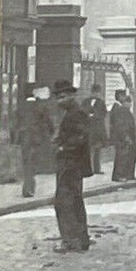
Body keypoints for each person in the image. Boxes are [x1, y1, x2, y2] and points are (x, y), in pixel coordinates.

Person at [52, 79, 92, 252]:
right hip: (72, 163)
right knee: (74, 200)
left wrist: (62, 146)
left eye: (62, 97)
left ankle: (70, 241)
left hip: (70, 162)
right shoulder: (73, 113)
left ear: (70, 96)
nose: (59, 101)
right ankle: (81, 239)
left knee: (64, 202)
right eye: (58, 98)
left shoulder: (75, 114)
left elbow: (80, 138)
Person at [14, 82, 54, 199]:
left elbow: (15, 124)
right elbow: (48, 122)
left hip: (24, 139)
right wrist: (50, 133)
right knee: (33, 163)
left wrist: (15, 138)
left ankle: (28, 187)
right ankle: (29, 188)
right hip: (36, 138)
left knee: (27, 162)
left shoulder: (20, 107)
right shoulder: (40, 106)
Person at [109, 87, 136, 182]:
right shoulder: (119, 109)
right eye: (124, 96)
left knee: (128, 155)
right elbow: (120, 125)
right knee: (122, 156)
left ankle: (128, 175)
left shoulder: (119, 108)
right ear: (120, 96)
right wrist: (126, 137)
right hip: (122, 138)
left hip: (125, 137)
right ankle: (119, 175)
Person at [85, 83, 109, 176]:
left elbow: (104, 114)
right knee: (89, 150)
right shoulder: (85, 101)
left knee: (98, 149)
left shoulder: (101, 102)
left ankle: (97, 169)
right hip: (88, 129)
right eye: (94, 92)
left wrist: (95, 116)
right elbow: (82, 112)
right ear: (92, 92)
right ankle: (89, 169)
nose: (96, 94)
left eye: (97, 93)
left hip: (98, 129)